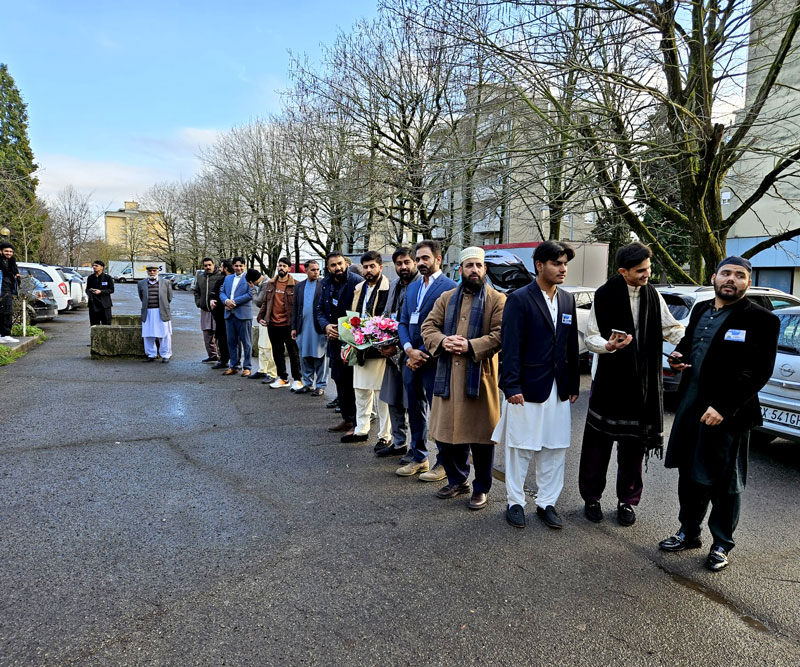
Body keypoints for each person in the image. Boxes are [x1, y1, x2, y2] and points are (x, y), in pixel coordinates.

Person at [659, 257, 779, 572]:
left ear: (748, 283)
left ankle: (721, 543)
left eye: (740, 276)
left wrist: (723, 407)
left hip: (730, 415)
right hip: (690, 408)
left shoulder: (762, 320)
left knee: (726, 483)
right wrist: (677, 357)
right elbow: (688, 344)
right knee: (690, 475)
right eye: (726, 273)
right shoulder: (700, 310)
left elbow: (758, 373)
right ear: (714, 277)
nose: (732, 279)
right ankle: (688, 532)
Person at [579, 242, 684, 526]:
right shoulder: (604, 295)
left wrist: (687, 343)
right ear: (623, 271)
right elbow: (591, 337)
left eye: (649, 268)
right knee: (597, 447)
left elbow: (671, 328)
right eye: (641, 270)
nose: (647, 274)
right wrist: (608, 345)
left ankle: (627, 501)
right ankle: (591, 498)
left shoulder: (653, 295)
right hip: (610, 384)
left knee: (633, 449)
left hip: (643, 386)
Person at [494, 241, 580, 529]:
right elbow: (510, 346)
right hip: (527, 387)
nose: (563, 268)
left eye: (565, 263)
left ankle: (547, 502)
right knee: (521, 446)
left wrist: (573, 383)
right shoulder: (519, 299)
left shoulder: (567, 300)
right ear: (539, 266)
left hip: (558, 387)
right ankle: (515, 501)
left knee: (555, 447)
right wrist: (511, 385)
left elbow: (570, 345)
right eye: (557, 263)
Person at [421, 247, 506, 510]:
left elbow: (501, 334)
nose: (474, 270)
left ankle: (481, 488)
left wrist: (470, 346)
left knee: (481, 438)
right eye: (469, 266)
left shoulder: (497, 299)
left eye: (479, 266)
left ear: (485, 269)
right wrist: (445, 341)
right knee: (448, 436)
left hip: (479, 379)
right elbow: (428, 327)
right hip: (447, 379)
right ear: (460, 269)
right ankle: (458, 480)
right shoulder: (446, 298)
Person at [395, 240, 457, 479]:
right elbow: (402, 322)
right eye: (418, 259)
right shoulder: (412, 287)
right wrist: (409, 349)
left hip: (435, 361)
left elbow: (448, 327)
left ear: (438, 259)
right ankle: (419, 457)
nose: (420, 263)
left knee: (438, 411)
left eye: (425, 259)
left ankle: (443, 463)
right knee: (414, 409)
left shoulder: (449, 287)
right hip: (411, 359)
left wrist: (424, 352)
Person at [341, 250, 392, 444]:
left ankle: (384, 436)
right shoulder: (360, 286)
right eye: (366, 267)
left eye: (372, 266)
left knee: (381, 393)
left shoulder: (388, 287)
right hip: (359, 343)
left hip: (380, 345)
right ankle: (361, 429)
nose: (369, 270)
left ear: (381, 267)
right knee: (360, 390)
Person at [376, 247, 420, 458]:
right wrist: (381, 342)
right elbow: (387, 316)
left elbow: (418, 325)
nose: (403, 267)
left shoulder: (421, 285)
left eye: (407, 262)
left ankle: (417, 449)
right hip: (392, 354)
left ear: (414, 263)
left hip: (412, 353)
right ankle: (399, 442)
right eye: (399, 263)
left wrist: (400, 346)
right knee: (393, 399)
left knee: (413, 404)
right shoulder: (394, 285)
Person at [316, 251, 364, 434]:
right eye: (334, 265)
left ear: (346, 263)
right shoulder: (326, 282)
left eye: (340, 264)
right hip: (333, 340)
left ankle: (358, 422)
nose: (338, 268)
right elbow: (320, 309)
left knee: (354, 381)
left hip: (352, 340)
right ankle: (347, 418)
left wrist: (342, 329)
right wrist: (326, 326)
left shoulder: (357, 281)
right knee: (338, 379)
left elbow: (363, 311)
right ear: (328, 268)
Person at [257, 257, 301, 389]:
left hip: (288, 325)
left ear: (289, 268)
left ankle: (298, 379)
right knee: (277, 353)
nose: (281, 268)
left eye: (284, 266)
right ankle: (283, 378)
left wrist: (296, 325)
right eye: (279, 265)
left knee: (293, 353)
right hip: (273, 324)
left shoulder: (296, 285)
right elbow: (266, 302)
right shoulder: (271, 284)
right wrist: (260, 317)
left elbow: (298, 306)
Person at [291, 259, 328, 396]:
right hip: (303, 327)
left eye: (318, 269)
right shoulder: (299, 286)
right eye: (313, 269)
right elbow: (295, 308)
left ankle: (320, 385)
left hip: (318, 327)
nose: (316, 272)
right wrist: (293, 327)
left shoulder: (324, 284)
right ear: (306, 271)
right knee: (304, 355)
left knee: (320, 356)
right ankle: (307, 383)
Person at [219, 256, 254, 376]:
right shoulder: (228, 278)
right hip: (229, 314)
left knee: (246, 342)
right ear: (233, 266)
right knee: (232, 342)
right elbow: (222, 292)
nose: (238, 268)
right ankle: (234, 365)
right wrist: (226, 301)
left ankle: (247, 367)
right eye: (236, 266)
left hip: (243, 314)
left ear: (244, 266)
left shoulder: (249, 278)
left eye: (241, 266)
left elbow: (250, 294)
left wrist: (234, 302)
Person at [138, 264, 173, 363]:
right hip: (148, 312)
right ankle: (151, 354)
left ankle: (165, 355)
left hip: (161, 311)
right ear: (147, 272)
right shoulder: (141, 283)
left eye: (154, 270)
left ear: (158, 271)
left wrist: (162, 305)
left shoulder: (166, 282)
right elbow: (142, 297)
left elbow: (169, 297)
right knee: (148, 334)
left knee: (164, 334)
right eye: (150, 271)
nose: (152, 273)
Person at [249, 268, 277, 382]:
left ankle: (271, 372)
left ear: (252, 281)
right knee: (261, 345)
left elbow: (259, 301)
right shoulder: (265, 282)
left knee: (267, 347)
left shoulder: (266, 284)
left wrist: (253, 290)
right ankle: (262, 369)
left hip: (268, 319)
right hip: (263, 318)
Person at [193, 257, 223, 363]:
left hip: (217, 310)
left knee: (218, 334)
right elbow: (196, 290)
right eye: (205, 265)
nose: (208, 267)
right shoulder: (200, 276)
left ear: (214, 265)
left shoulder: (220, 276)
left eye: (210, 265)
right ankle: (212, 355)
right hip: (205, 309)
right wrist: (198, 302)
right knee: (207, 334)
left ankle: (222, 357)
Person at [209, 259, 233, 369]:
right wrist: (212, 300)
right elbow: (213, 293)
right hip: (220, 316)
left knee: (233, 339)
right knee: (221, 338)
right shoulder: (220, 280)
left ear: (226, 268)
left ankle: (234, 361)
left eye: (221, 267)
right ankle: (223, 360)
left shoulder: (234, 280)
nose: (219, 269)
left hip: (232, 314)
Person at [0, 242, 20, 343]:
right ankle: (2, 334)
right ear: (1, 251)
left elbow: (15, 273)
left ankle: (6, 334)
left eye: (11, 251)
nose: (9, 253)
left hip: (8, 289)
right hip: (1, 289)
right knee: (2, 311)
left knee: (7, 311)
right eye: (6, 251)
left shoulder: (11, 262)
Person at [86, 260, 114, 327]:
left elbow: (111, 290)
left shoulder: (108, 278)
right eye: (93, 266)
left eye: (96, 266)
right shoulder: (90, 278)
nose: (94, 267)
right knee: (94, 325)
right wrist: (90, 291)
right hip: (93, 305)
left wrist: (101, 291)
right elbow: (87, 289)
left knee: (106, 324)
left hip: (105, 305)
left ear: (102, 267)